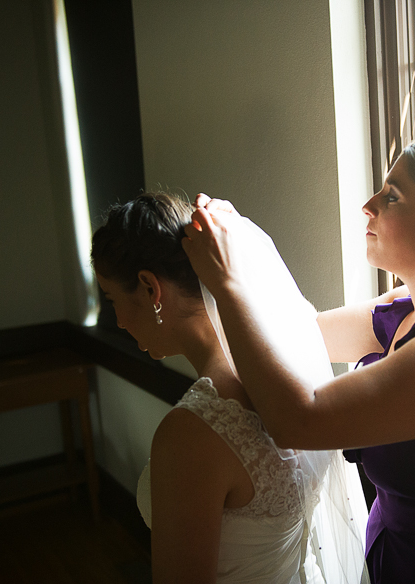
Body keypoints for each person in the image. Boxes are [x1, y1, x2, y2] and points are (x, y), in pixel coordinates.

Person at [182, 135, 415, 583]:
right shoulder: (412, 306)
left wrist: (227, 284)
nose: (368, 205)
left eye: (392, 196)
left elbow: (297, 419)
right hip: (402, 557)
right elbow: (304, 338)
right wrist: (239, 250)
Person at [90, 192, 369, 584]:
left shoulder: (190, 432)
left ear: (150, 288)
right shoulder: (288, 382)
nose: (117, 320)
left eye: (113, 298)